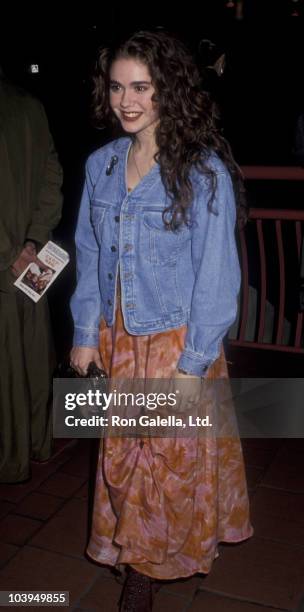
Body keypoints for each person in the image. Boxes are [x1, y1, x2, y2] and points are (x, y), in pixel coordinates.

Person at [70, 30, 253, 611]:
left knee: (169, 462)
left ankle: (145, 573)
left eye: (142, 87)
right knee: (127, 460)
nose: (127, 100)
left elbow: (217, 277)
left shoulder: (201, 174)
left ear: (168, 91)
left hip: (176, 341)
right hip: (119, 340)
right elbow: (90, 253)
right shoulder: (100, 167)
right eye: (119, 86)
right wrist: (83, 332)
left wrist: (194, 363)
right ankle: (140, 557)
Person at [0, 74, 63, 482]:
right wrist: (32, 242)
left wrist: (9, 254)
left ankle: (11, 458)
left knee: (8, 367)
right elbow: (52, 178)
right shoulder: (29, 105)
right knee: (33, 354)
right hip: (31, 258)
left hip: (9, 263)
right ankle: (39, 443)